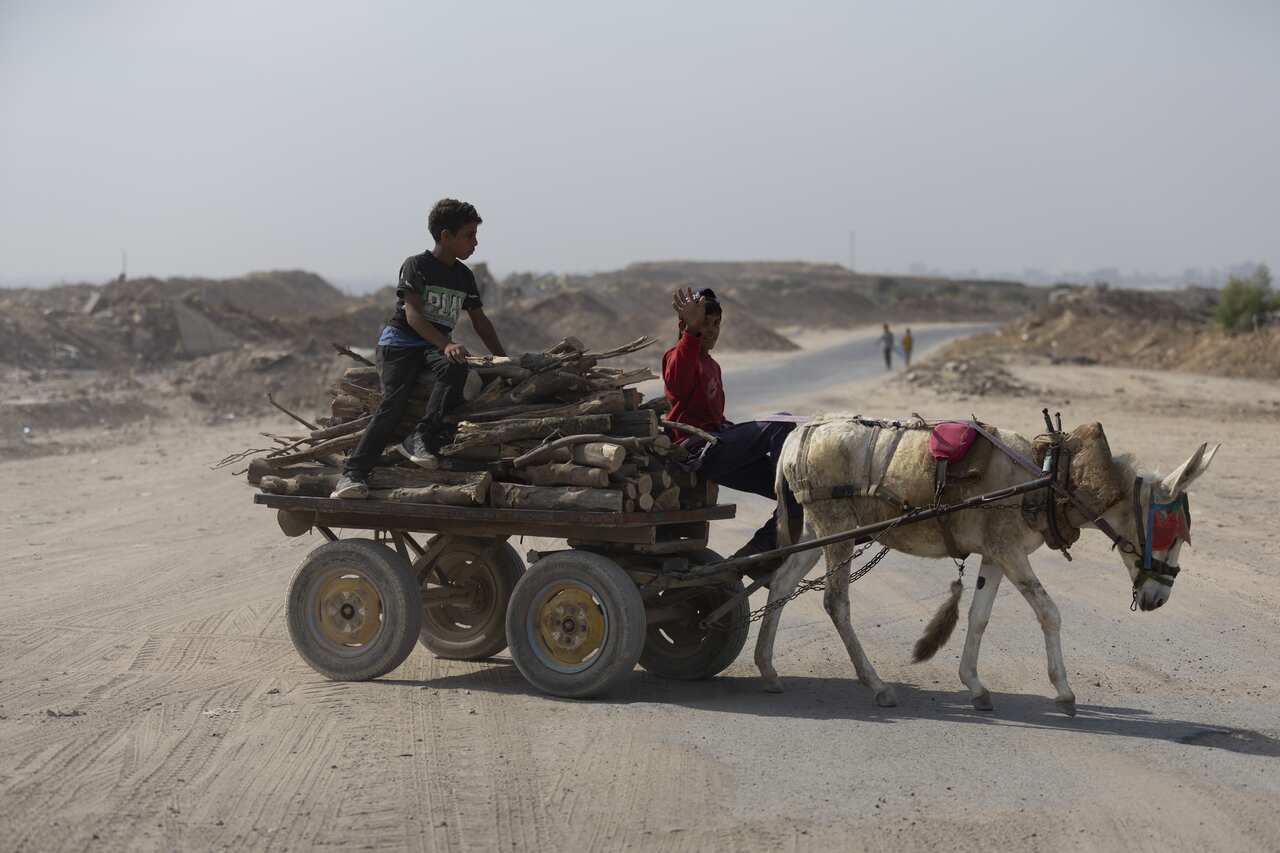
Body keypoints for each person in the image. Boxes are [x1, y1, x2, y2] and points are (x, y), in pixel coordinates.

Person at [331, 199, 507, 499]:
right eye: (469, 235)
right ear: (445, 236)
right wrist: (446, 343)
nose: (475, 242)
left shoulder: (464, 276)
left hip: (431, 347)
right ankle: (352, 475)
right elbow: (412, 316)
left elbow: (480, 321)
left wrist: (503, 356)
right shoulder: (417, 265)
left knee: (457, 368)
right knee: (394, 405)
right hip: (400, 344)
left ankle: (420, 437)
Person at [663, 287, 801, 573]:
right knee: (781, 423)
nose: (712, 331)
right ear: (686, 324)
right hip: (697, 451)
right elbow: (677, 385)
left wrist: (731, 429)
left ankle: (756, 553)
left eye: (716, 324)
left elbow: (714, 418)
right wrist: (691, 331)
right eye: (706, 324)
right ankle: (786, 492)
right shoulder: (676, 356)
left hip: (718, 444)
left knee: (798, 495)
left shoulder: (712, 366)